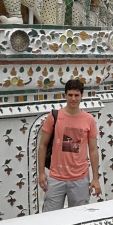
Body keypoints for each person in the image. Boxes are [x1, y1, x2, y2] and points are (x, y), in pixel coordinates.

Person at [38, 78, 101, 211]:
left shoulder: (89, 120)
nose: (73, 98)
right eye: (70, 95)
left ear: (81, 96)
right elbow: (43, 145)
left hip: (80, 178)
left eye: (76, 95)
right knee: (49, 218)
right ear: (65, 95)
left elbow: (93, 150)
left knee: (79, 220)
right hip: (56, 178)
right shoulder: (54, 116)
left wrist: (95, 178)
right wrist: (42, 172)